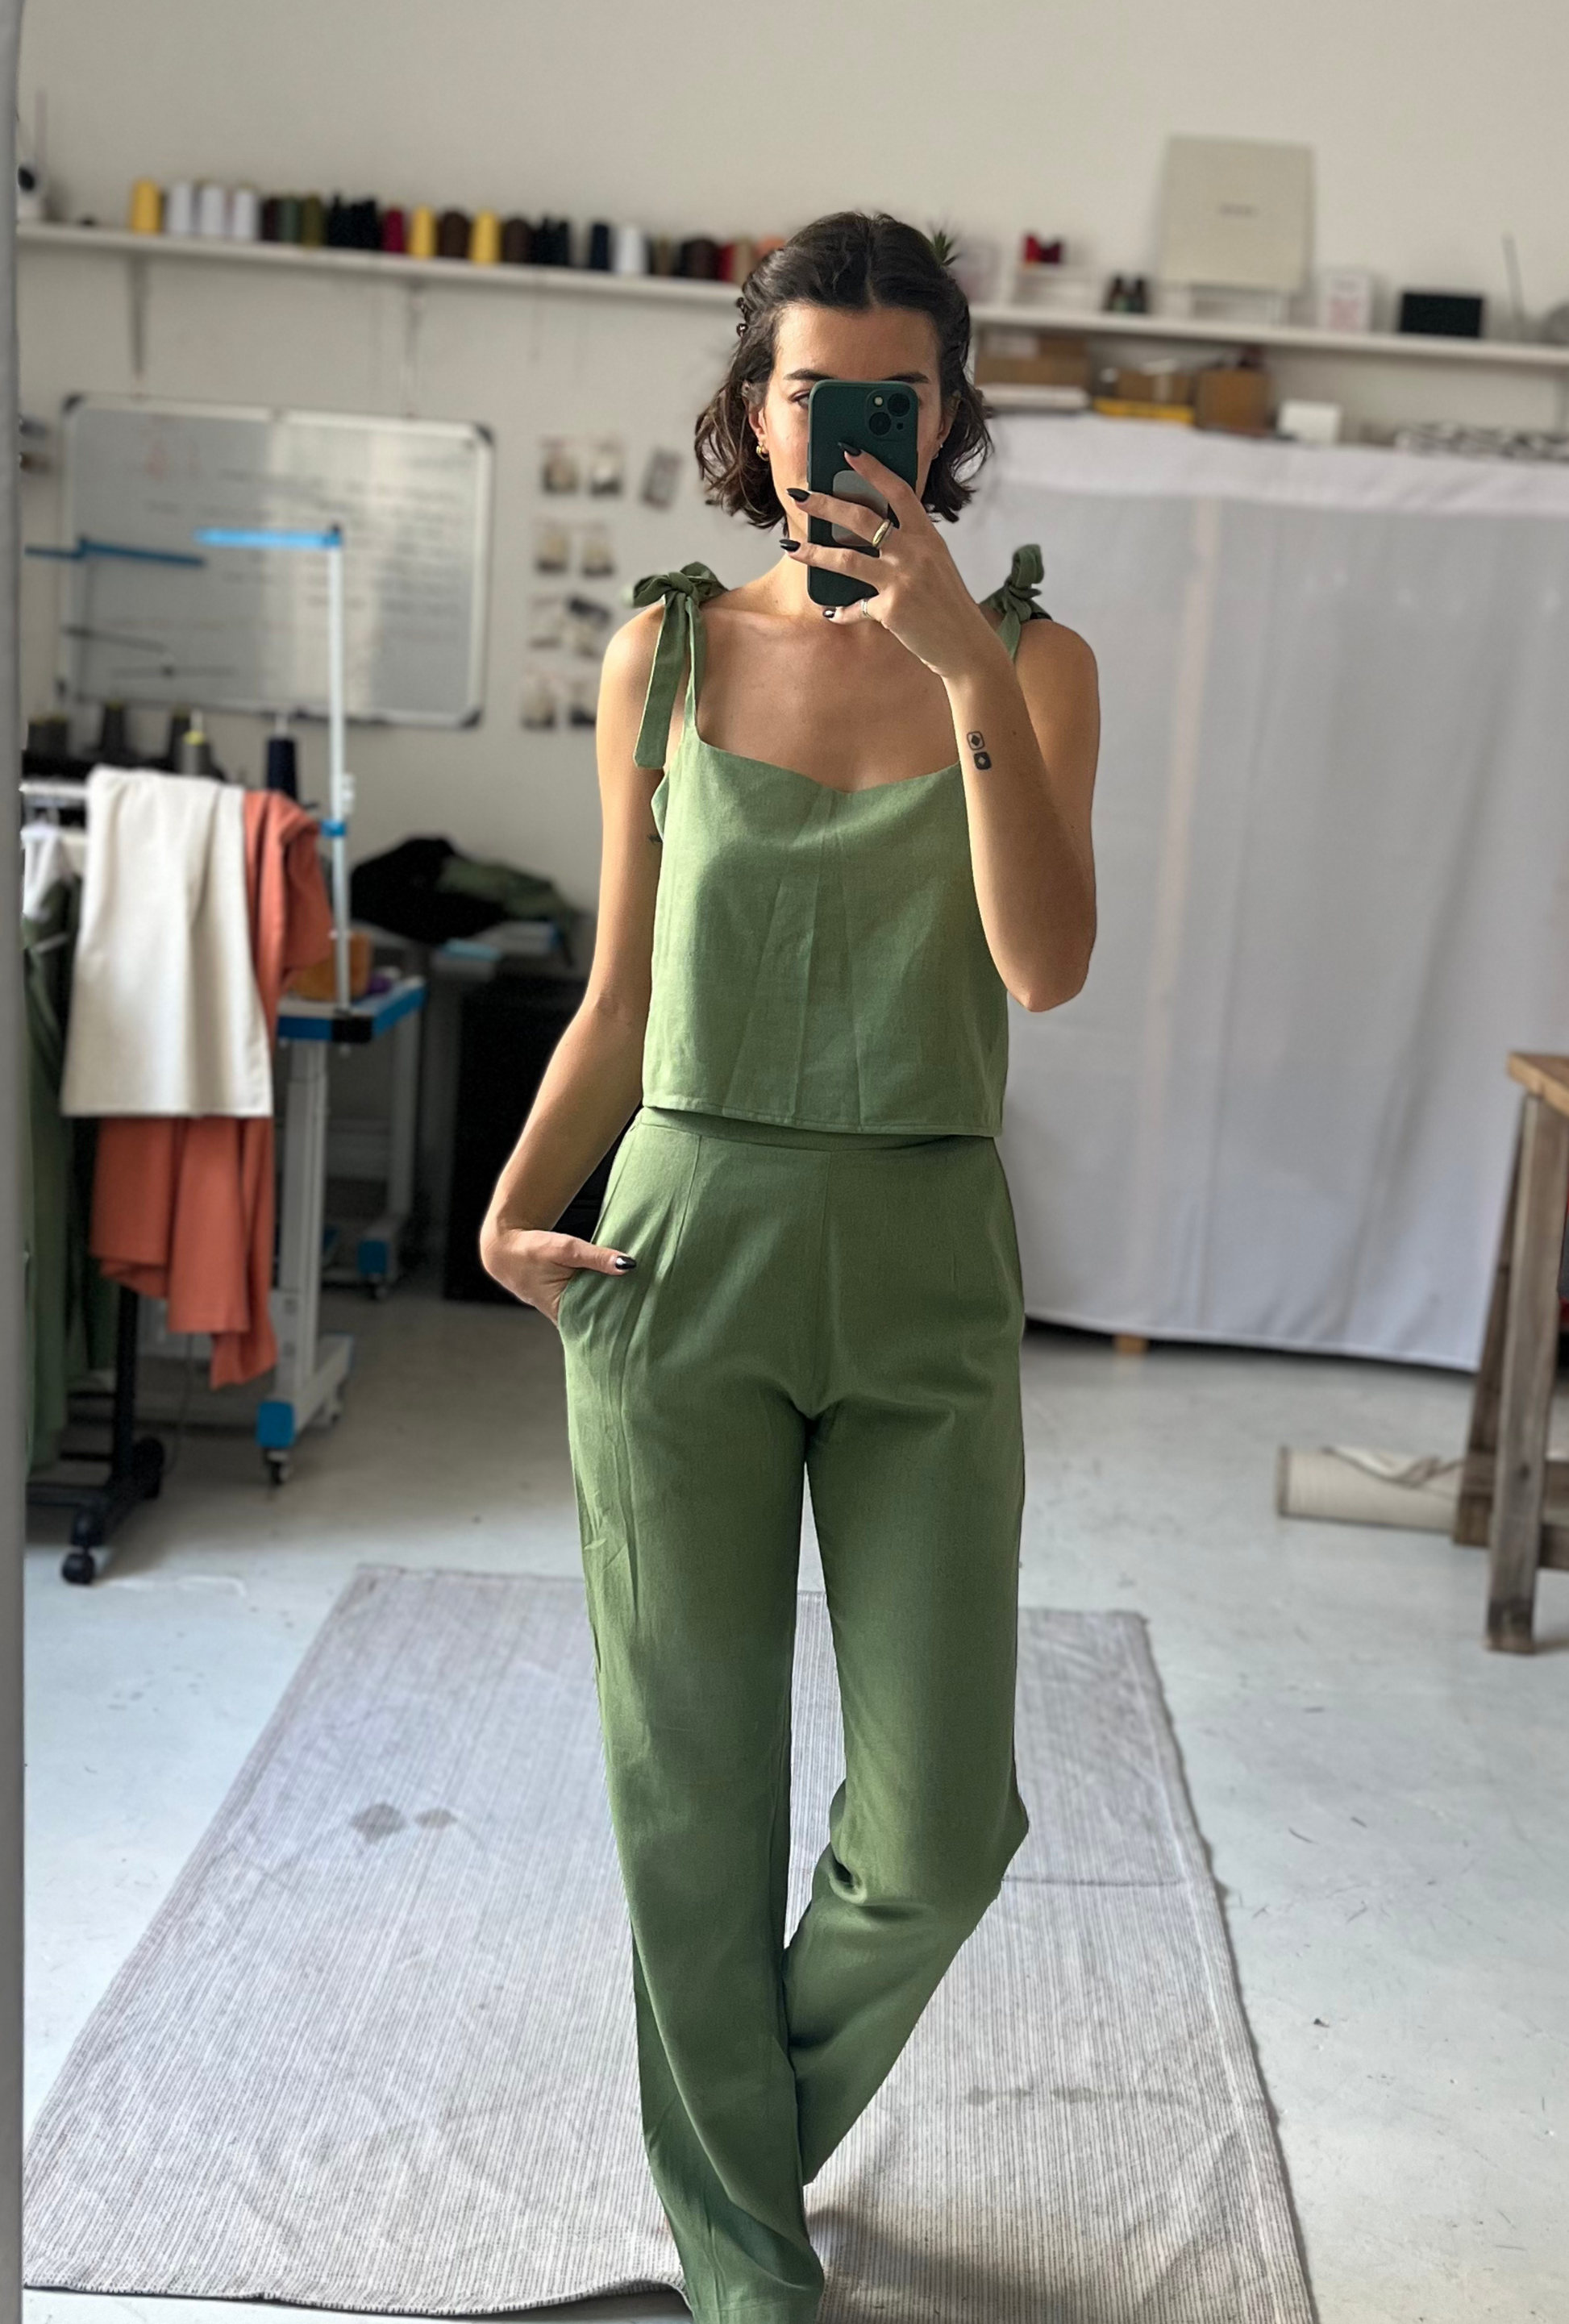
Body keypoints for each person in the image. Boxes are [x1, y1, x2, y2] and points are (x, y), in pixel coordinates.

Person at [481, 209, 1100, 2324]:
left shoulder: (1033, 661)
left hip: (925, 1257)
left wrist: (958, 666)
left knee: (942, 1829)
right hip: (682, 1254)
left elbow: (1047, 966)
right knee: (692, 1793)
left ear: (947, 415)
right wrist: (511, 1202)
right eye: (811, 392)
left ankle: (725, 2164)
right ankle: (751, 2277)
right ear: (755, 415)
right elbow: (619, 993)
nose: (849, 431)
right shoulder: (662, 653)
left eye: (890, 399)